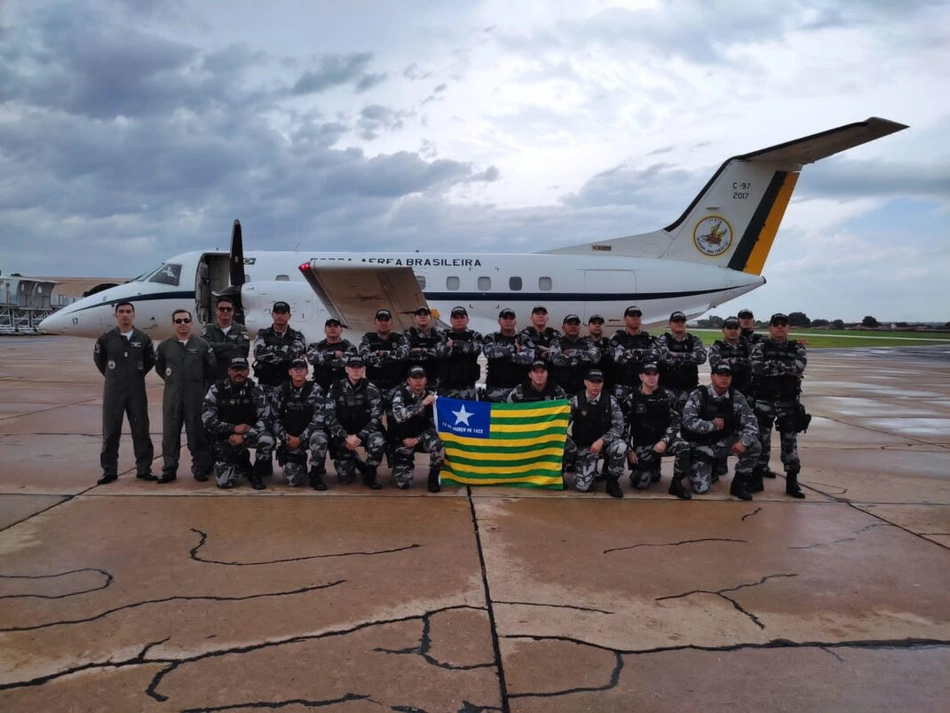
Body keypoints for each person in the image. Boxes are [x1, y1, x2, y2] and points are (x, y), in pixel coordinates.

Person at [93, 302, 156, 484]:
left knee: (141, 430)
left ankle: (144, 469)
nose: (125, 315)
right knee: (111, 431)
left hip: (136, 390)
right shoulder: (106, 339)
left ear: (133, 315)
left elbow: (149, 361)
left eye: (128, 312)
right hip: (113, 391)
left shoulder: (143, 338)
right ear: (116, 315)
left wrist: (134, 375)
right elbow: (100, 360)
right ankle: (109, 470)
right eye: (121, 312)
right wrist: (114, 376)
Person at [680, 364, 761, 500]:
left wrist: (743, 442)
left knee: (754, 446)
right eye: (720, 375)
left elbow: (752, 423)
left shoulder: (736, 396)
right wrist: (712, 425)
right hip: (702, 446)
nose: (724, 378)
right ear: (712, 377)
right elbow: (687, 421)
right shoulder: (699, 395)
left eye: (727, 375)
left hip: (724, 442)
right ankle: (697, 467)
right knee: (701, 489)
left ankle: (738, 485)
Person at [751, 313, 809, 498]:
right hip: (764, 401)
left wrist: (773, 366)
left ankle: (792, 482)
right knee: (761, 441)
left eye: (783, 324)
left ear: (788, 327)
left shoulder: (797, 348)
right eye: (776, 324)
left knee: (790, 443)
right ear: (769, 328)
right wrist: (786, 368)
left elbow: (799, 366)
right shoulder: (760, 346)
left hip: (788, 402)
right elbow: (758, 368)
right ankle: (757, 478)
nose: (779, 327)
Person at [155, 309, 216, 483]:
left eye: (185, 320)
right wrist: (174, 382)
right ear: (173, 324)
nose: (182, 324)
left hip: (195, 397)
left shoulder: (202, 345)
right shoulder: (165, 346)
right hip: (172, 397)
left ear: (191, 323)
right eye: (178, 321)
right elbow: (160, 368)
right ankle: (169, 469)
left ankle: (199, 469)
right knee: (170, 434)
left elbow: (210, 368)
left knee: (197, 433)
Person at [201, 356, 275, 490]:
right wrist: (233, 428)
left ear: (248, 371)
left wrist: (244, 436)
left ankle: (255, 473)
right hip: (226, 437)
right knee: (224, 483)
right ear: (229, 371)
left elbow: (266, 418)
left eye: (242, 369)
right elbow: (207, 420)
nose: (239, 373)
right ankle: (242, 460)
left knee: (267, 439)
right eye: (235, 369)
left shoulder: (255, 390)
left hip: (248, 435)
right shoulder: (217, 389)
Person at [252, 301, 306, 474]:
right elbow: (259, 352)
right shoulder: (263, 333)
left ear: (289, 315)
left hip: (287, 389)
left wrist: (272, 352)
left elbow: (296, 352)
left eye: (284, 312)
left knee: (288, 422)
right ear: (272, 314)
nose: (280, 315)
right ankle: (264, 462)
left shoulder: (297, 335)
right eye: (277, 312)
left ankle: (292, 459)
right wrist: (283, 353)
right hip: (266, 387)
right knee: (266, 424)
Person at [625, 363, 691, 499]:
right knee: (641, 484)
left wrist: (664, 440)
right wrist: (629, 448)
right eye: (648, 374)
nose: (651, 377)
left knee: (684, 446)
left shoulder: (667, 396)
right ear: (641, 376)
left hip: (663, 442)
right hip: (643, 444)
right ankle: (651, 468)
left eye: (654, 374)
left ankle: (676, 483)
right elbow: (623, 425)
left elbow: (676, 420)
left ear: (658, 376)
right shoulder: (632, 398)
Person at [325, 356, 386, 489]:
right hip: (344, 435)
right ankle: (354, 460)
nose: (356, 371)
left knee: (378, 440)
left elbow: (377, 417)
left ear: (364, 369)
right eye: (353, 367)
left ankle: (370, 472)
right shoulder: (335, 388)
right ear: (347, 369)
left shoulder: (371, 388)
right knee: (345, 479)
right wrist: (346, 436)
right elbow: (329, 416)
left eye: (359, 368)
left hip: (365, 433)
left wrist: (359, 437)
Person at [707, 316, 754, 481]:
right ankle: (718, 464)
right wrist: (741, 364)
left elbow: (755, 363)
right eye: (729, 327)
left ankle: (749, 470)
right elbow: (715, 364)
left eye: (736, 327)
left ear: (740, 329)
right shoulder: (716, 347)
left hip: (746, 393)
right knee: (721, 428)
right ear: (723, 330)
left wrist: (730, 361)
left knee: (745, 428)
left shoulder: (749, 347)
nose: (733, 330)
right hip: (723, 393)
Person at [566, 369, 626, 498]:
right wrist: (572, 448)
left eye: (599, 382)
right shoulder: (575, 401)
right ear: (585, 382)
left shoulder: (611, 401)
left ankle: (612, 481)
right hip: (585, 447)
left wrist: (602, 440)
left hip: (605, 444)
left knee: (620, 446)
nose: (595, 385)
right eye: (592, 382)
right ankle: (583, 468)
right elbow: (561, 426)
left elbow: (619, 427)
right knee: (583, 487)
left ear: (603, 384)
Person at [271, 357, 329, 490]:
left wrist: (301, 437)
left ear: (307, 371)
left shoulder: (316, 390)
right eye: (295, 369)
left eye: (301, 368)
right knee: (294, 481)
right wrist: (287, 438)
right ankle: (299, 462)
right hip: (290, 437)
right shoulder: (280, 391)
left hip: (309, 435)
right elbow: (274, 418)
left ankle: (315, 472)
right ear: (289, 372)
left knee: (320, 438)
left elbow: (319, 418)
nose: (298, 371)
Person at [390, 366, 444, 492]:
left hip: (420, 439)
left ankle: (433, 476)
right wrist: (422, 404)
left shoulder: (431, 397)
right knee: (403, 484)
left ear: (426, 380)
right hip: (403, 440)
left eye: (421, 377)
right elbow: (399, 416)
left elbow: (434, 427)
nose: (418, 381)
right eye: (414, 378)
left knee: (439, 445)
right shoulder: (400, 394)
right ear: (409, 380)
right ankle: (402, 465)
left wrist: (417, 439)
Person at [653, 310, 708, 412]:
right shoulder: (662, 339)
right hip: (666, 389)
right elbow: (663, 357)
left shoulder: (694, 340)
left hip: (689, 389)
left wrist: (675, 355)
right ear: (670, 324)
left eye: (682, 321)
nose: (679, 323)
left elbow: (701, 357)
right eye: (676, 321)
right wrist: (689, 357)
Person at [359, 308, 409, 407]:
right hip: (374, 388)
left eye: (386, 320)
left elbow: (404, 355)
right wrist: (393, 356)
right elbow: (364, 357)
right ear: (375, 322)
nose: (383, 323)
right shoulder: (368, 339)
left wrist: (382, 353)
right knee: (373, 419)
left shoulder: (400, 339)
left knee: (394, 420)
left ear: (391, 323)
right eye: (380, 320)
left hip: (395, 387)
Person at [483, 308, 536, 402]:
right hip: (495, 390)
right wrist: (514, 349)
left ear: (515, 322)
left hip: (519, 390)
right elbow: (489, 353)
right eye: (505, 318)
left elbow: (529, 358)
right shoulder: (491, 337)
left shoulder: (523, 338)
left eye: (511, 318)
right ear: (499, 321)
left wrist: (502, 355)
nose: (508, 321)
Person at [610, 306, 655, 410]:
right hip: (622, 386)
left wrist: (630, 353)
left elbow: (654, 355)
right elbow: (618, 357)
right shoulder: (617, 338)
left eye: (638, 316)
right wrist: (642, 354)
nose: (635, 318)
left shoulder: (647, 338)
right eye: (632, 316)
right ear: (625, 319)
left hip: (642, 387)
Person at [438, 306, 483, 400]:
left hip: (468, 389)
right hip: (446, 388)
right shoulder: (442, 335)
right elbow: (440, 351)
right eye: (456, 318)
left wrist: (454, 343)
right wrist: (465, 348)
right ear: (450, 320)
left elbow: (476, 349)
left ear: (467, 320)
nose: (459, 320)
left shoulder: (475, 335)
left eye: (462, 317)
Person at [200, 296, 249, 381]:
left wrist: (215, 351)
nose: (225, 311)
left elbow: (243, 351)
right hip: (212, 377)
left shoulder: (241, 329)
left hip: (235, 378)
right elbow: (204, 348)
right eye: (222, 309)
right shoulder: (208, 329)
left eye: (228, 309)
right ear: (216, 310)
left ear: (233, 311)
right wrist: (231, 346)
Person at [549, 314, 600, 393]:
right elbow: (557, 360)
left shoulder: (588, 342)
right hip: (562, 390)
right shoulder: (556, 341)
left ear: (580, 327)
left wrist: (573, 353)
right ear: (563, 327)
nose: (573, 326)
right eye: (570, 324)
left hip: (584, 390)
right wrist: (583, 358)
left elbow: (595, 358)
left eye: (576, 324)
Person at [307, 317, 356, 392]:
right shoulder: (315, 346)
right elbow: (311, 358)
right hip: (320, 389)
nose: (332, 328)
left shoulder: (349, 347)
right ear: (325, 330)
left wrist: (323, 361)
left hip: (343, 389)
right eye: (329, 326)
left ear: (341, 330)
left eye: (336, 326)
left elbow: (346, 361)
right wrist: (333, 355)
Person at [404, 305, 443, 385]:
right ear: (415, 319)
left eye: (425, 314)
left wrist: (421, 350)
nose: (422, 317)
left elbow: (441, 353)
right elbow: (403, 354)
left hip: (435, 382)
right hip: (414, 384)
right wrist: (430, 352)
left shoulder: (439, 335)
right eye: (419, 315)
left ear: (431, 318)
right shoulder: (408, 335)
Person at [586, 315, 614, 386]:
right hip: (586, 385)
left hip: (606, 385)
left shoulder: (610, 343)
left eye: (600, 324)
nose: (597, 325)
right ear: (588, 326)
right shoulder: (582, 343)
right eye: (594, 323)